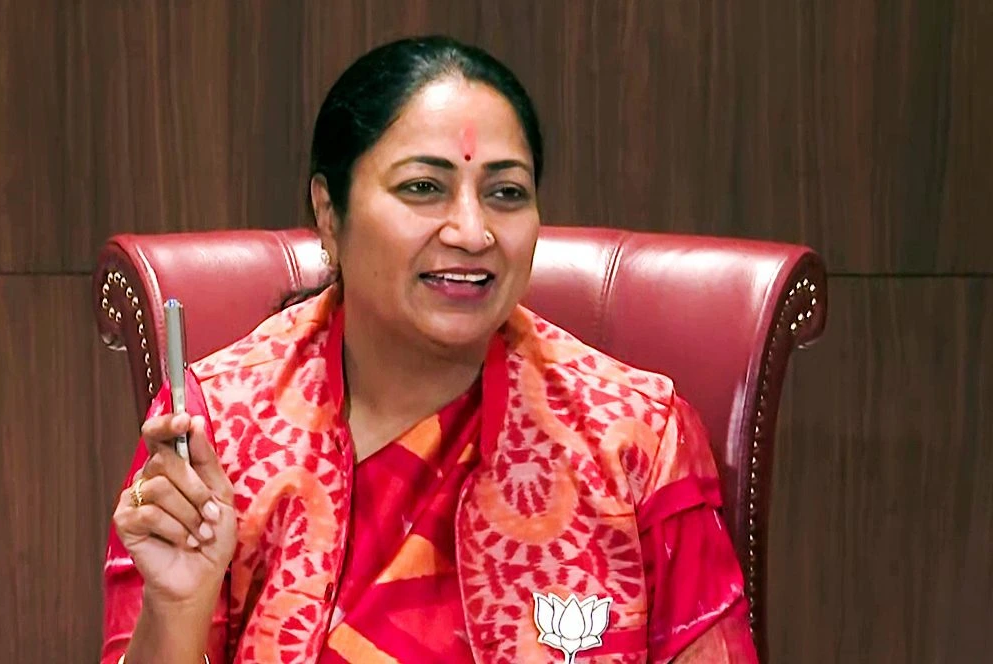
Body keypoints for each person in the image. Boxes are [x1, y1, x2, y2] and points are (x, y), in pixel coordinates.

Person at [102, 35, 758, 664]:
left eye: (506, 193)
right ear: (329, 211)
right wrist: (177, 609)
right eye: (423, 187)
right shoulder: (214, 432)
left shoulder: (636, 439)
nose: (472, 232)